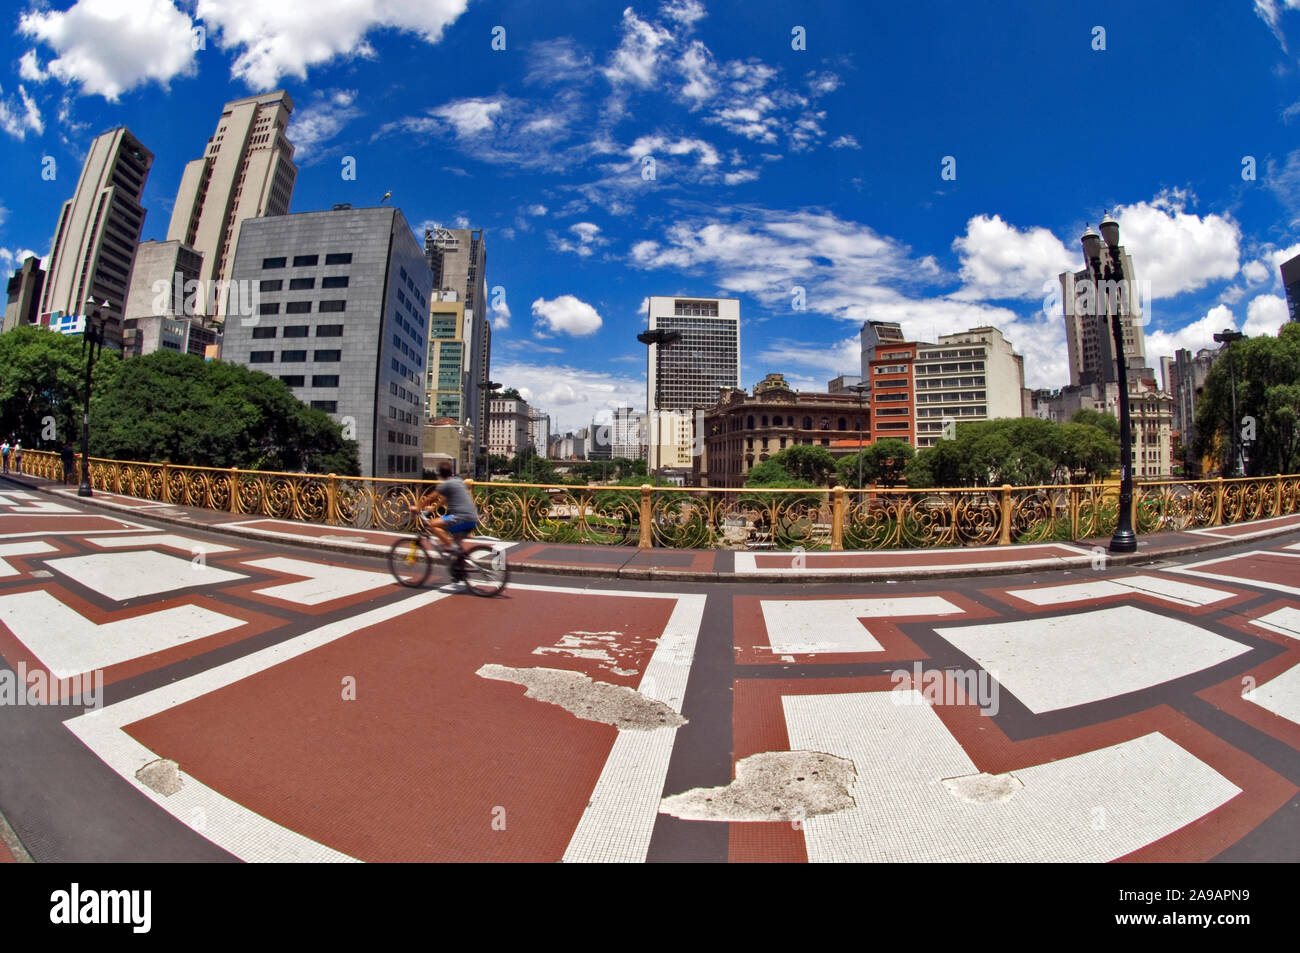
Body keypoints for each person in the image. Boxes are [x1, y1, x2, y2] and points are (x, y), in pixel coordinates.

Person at [410, 461, 479, 555]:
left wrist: (417, 508)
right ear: (451, 472)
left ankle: (451, 547)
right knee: (457, 543)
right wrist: (434, 507)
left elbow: (430, 497)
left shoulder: (447, 484)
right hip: (472, 518)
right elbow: (445, 498)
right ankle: (458, 561)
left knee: (432, 524)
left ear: (441, 474)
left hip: (461, 518)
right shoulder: (458, 480)